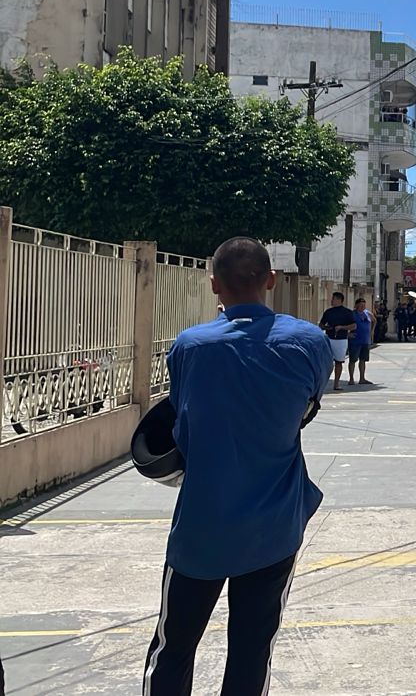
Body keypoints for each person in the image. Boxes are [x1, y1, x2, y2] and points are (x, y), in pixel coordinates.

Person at [142, 237, 328, 696]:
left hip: (201, 527)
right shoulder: (310, 342)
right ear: (271, 280)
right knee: (251, 649)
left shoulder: (189, 347)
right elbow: (306, 408)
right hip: (274, 526)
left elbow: (182, 428)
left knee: (173, 647)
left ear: (213, 286)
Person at [319, 293, 357, 391]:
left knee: (339, 362)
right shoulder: (328, 312)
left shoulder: (347, 312)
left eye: (333, 299)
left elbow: (353, 326)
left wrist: (342, 327)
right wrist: (328, 327)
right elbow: (321, 325)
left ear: (339, 300)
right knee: (326, 361)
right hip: (329, 338)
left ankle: (336, 383)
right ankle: (323, 382)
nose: (331, 301)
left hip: (341, 339)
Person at [348, 298, 374, 385]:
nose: (362, 307)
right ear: (356, 305)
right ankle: (351, 379)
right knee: (353, 360)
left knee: (363, 360)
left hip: (365, 340)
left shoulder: (367, 313)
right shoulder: (352, 314)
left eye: (364, 305)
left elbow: (374, 320)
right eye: (361, 305)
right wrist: (348, 334)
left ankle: (362, 378)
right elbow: (345, 324)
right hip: (355, 341)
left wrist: (372, 331)